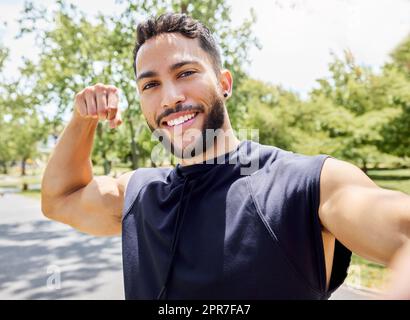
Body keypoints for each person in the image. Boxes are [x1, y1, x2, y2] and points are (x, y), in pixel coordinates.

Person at [41, 13, 410, 300]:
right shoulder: (138, 192)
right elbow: (60, 199)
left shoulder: (305, 183)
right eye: (150, 84)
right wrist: (82, 120)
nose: (169, 97)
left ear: (224, 83)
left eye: (185, 72)